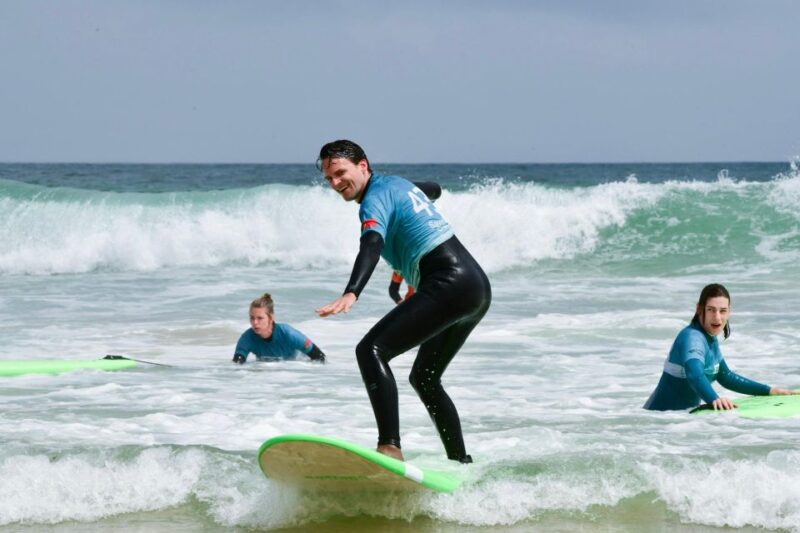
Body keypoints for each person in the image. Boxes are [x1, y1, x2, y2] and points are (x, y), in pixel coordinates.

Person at [314, 140, 491, 464]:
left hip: (448, 281)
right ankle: (461, 464)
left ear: (363, 166)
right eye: (329, 179)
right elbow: (433, 189)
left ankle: (390, 446)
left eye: (340, 173)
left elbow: (371, 242)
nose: (336, 184)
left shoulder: (373, 201)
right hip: (475, 287)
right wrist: (401, 275)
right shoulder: (397, 185)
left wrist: (352, 291)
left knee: (370, 350)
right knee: (424, 378)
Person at [644, 283, 796, 411]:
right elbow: (694, 374)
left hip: (675, 423)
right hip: (657, 422)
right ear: (699, 309)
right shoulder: (692, 338)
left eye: (723, 311)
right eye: (711, 310)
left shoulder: (709, 338)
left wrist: (768, 391)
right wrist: (714, 399)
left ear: (729, 311)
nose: (717, 317)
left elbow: (725, 376)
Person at [387, 181, 441, 305]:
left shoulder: (429, 262)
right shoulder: (401, 267)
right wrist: (401, 303)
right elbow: (393, 290)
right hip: (413, 306)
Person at [233, 293, 325, 364]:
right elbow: (236, 366)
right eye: (252, 318)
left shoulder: (288, 334)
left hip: (295, 368)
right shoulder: (247, 338)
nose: (255, 322)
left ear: (271, 318)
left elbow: (320, 357)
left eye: (260, 318)